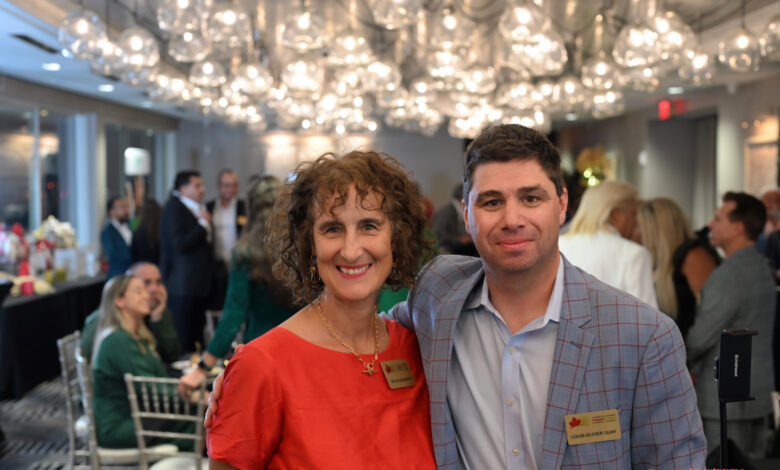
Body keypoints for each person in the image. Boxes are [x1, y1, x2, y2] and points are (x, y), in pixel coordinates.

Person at [206, 125, 706, 469]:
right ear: (466, 215)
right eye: (491, 201)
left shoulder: (644, 337)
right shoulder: (436, 302)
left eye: (530, 197)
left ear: (562, 205)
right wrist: (238, 382)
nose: (511, 218)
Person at [206, 151, 437, 469]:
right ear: (309, 246)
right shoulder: (262, 366)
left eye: (369, 226)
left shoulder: (418, 349)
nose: (352, 249)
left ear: (395, 240)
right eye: (332, 229)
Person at [179, 176, 298, 391]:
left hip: (260, 352)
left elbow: (232, 319)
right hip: (301, 351)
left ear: (250, 207)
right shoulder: (301, 250)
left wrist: (202, 367)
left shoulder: (245, 254)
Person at [686, 191, 776, 459]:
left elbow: (700, 337)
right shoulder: (763, 268)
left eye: (718, 219)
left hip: (723, 401)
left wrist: (679, 362)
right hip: (758, 396)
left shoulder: (728, 276)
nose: (711, 225)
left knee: (722, 462)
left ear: (738, 228)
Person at [91, 275, 194, 450]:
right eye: (138, 291)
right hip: (120, 426)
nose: (147, 295)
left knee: (202, 418)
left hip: (142, 414)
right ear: (119, 300)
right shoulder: (118, 340)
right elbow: (149, 387)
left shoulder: (136, 336)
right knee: (202, 423)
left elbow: (165, 368)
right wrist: (192, 396)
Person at [558, 180, 659, 308]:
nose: (635, 222)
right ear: (616, 215)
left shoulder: (558, 245)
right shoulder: (634, 254)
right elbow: (648, 321)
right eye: (633, 214)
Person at [635, 198, 720, 338]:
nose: (636, 232)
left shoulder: (694, 255)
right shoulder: (656, 260)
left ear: (654, 228)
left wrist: (692, 348)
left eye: (638, 225)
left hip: (693, 352)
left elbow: (713, 311)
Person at [81, 262, 180, 364]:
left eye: (158, 282)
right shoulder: (105, 323)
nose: (154, 289)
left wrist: (158, 319)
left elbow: (174, 355)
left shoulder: (156, 309)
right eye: (145, 284)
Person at [160, 171, 215, 352]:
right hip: (183, 285)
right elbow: (179, 244)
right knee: (185, 338)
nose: (202, 189)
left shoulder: (195, 207)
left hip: (196, 285)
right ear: (183, 188)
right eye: (197, 185)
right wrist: (201, 225)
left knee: (196, 336)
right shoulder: (174, 208)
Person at [206, 169, 247, 310]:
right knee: (218, 303)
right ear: (219, 186)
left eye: (234, 185)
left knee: (237, 302)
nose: (231, 189)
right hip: (215, 265)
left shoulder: (244, 208)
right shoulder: (209, 208)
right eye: (227, 185)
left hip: (238, 263)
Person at [432, 183, 477, 256]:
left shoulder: (456, 210)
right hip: (449, 252)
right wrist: (461, 239)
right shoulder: (446, 211)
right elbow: (438, 235)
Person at [100, 196, 132, 279]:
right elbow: (113, 255)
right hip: (118, 276)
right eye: (121, 207)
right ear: (112, 212)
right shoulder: (107, 232)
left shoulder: (130, 225)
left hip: (132, 274)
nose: (125, 210)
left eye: (126, 206)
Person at [131, 199, 162, 264]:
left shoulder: (138, 232)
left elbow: (133, 254)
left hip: (142, 269)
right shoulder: (163, 231)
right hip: (160, 268)